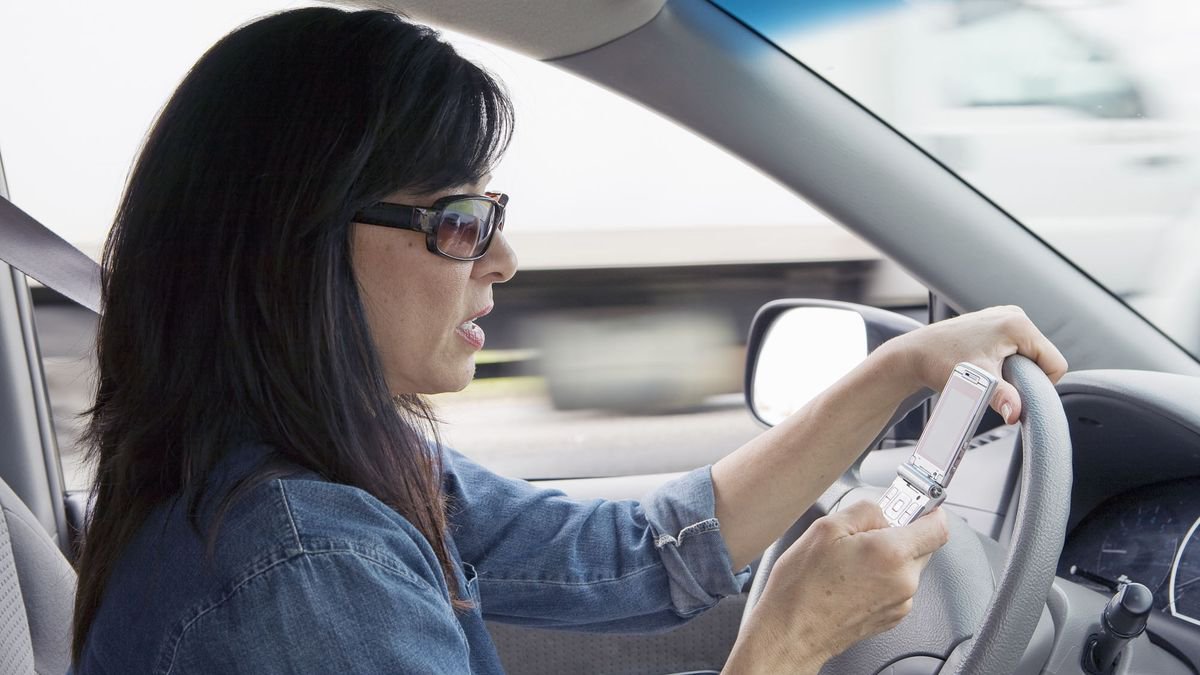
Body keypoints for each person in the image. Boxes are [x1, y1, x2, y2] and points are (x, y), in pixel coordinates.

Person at [70, 7, 1068, 674]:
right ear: (295, 244)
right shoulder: (302, 574)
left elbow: (628, 554)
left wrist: (895, 371)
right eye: (457, 219)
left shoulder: (325, 474)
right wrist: (788, 641)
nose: (502, 257)